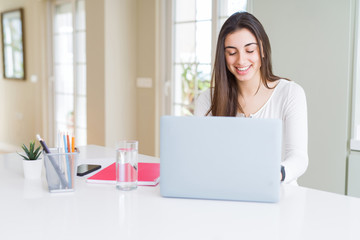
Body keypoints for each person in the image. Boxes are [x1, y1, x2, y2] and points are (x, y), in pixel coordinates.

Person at [194, 11, 308, 185]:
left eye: (249, 50)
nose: (241, 60)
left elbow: (299, 158)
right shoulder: (207, 99)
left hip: (279, 196)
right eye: (232, 53)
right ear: (223, 57)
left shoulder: (291, 93)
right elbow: (200, 155)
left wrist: (274, 174)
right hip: (226, 194)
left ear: (262, 50)